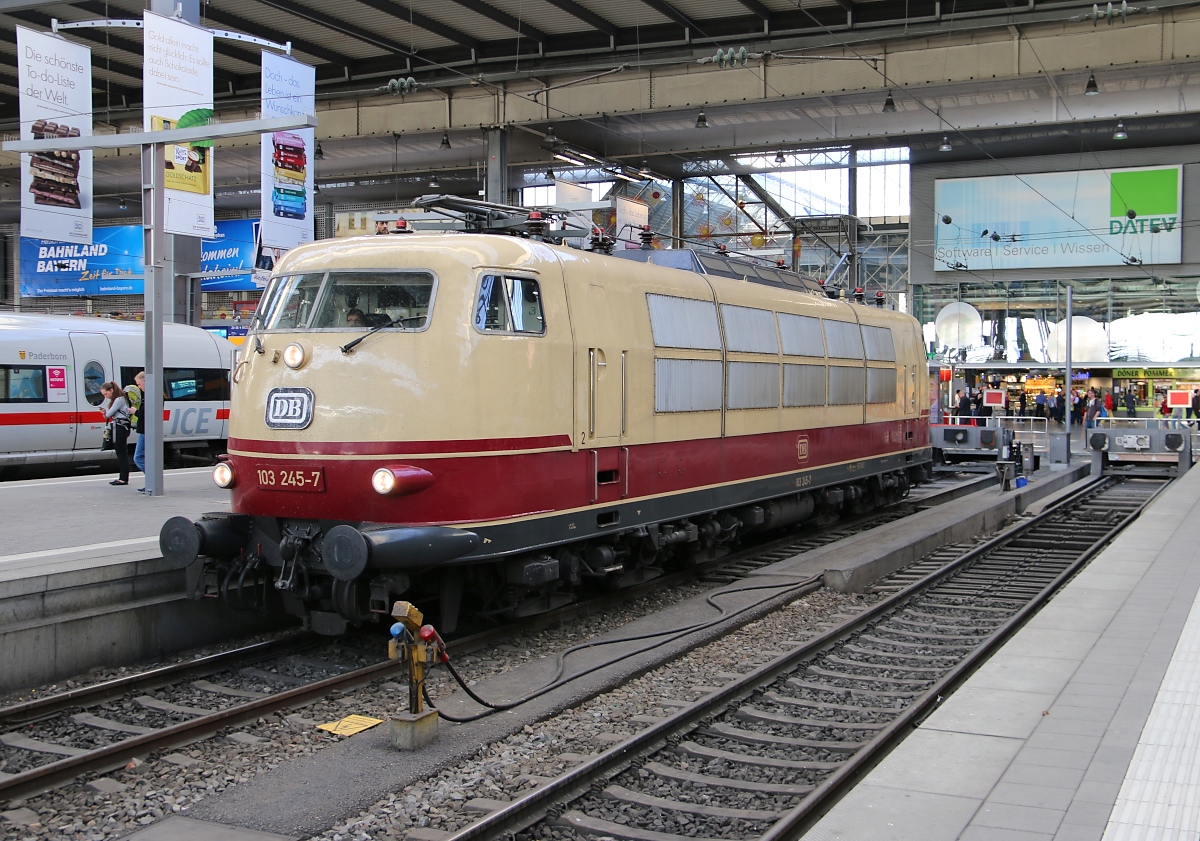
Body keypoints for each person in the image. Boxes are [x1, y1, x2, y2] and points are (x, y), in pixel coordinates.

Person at [99, 381, 131, 486]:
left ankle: (123, 478)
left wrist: (105, 413)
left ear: (111, 390)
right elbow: (108, 415)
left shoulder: (119, 399)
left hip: (120, 427)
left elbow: (109, 414)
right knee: (120, 452)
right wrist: (105, 413)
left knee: (121, 453)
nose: (106, 396)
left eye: (106, 394)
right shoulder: (117, 399)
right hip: (120, 427)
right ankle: (122, 477)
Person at [130, 371, 148, 493]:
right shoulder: (150, 395)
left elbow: (146, 413)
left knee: (138, 457)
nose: (139, 387)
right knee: (142, 456)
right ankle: (151, 480)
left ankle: (152, 478)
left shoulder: (151, 396)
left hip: (146, 430)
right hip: (146, 429)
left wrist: (134, 411)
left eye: (139, 384)